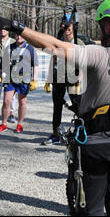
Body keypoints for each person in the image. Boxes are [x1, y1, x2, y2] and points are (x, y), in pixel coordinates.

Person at [0, 0, 110, 216]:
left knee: (90, 209)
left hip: (95, 145)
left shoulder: (98, 54)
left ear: (106, 25)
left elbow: (54, 46)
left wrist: (16, 27)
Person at [42, 12, 85, 145]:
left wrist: (81, 80)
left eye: (69, 26)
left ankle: (80, 132)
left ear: (73, 26)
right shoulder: (58, 41)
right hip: (58, 77)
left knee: (78, 107)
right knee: (57, 107)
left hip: (73, 79)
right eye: (65, 26)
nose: (67, 29)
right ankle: (55, 133)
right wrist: (49, 79)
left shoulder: (79, 42)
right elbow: (53, 59)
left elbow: (83, 63)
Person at [0, 32, 38, 134]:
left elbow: (35, 65)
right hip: (10, 78)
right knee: (6, 101)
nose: (19, 37)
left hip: (24, 79)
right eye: (17, 35)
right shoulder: (9, 48)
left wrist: (34, 80)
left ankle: (20, 124)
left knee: (22, 102)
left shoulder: (30, 49)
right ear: (14, 36)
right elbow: (2, 64)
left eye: (21, 35)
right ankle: (4, 124)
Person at [0, 27, 16, 123]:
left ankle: (11, 113)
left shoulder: (13, 41)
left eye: (5, 29)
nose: (2, 31)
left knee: (11, 94)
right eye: (0, 29)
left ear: (8, 30)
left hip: (9, 71)